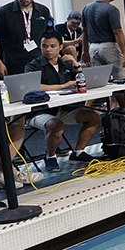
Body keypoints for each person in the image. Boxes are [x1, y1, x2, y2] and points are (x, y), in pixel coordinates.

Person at [23, 32, 102, 170]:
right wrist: (63, 86)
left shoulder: (65, 64)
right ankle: (50, 156)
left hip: (64, 108)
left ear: (60, 47)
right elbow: (33, 86)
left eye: (52, 46)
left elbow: (82, 81)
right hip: (39, 112)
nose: (48, 49)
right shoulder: (33, 65)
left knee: (94, 116)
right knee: (56, 125)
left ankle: (78, 152)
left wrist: (76, 64)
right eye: (44, 46)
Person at [81, 0, 125, 82]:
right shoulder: (111, 10)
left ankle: (106, 98)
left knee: (100, 81)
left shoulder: (86, 8)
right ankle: (121, 99)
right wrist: (124, 53)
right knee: (120, 79)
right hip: (109, 47)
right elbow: (117, 32)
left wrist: (85, 51)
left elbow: (84, 32)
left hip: (93, 48)